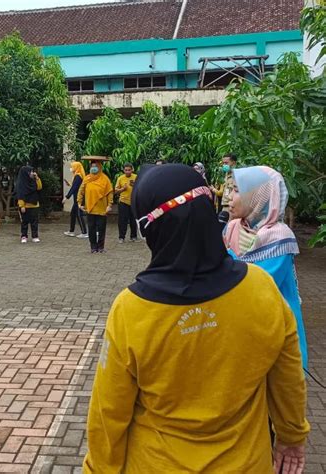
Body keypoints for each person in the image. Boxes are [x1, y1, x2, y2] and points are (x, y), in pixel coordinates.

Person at [83, 163, 309, 473]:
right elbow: (288, 377)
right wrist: (291, 436)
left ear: (152, 228)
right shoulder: (262, 289)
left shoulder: (131, 310)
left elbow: (108, 413)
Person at [224, 165, 308, 369]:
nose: (227, 197)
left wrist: (220, 255)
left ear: (258, 197)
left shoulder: (278, 236)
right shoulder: (234, 226)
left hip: (274, 329)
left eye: (236, 190)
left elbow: (255, 284)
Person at [77, 158, 113, 254]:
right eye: (92, 167)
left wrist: (109, 205)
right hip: (90, 208)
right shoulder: (87, 178)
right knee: (91, 229)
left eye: (96, 166)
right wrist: (79, 203)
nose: (94, 168)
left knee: (101, 229)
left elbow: (110, 192)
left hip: (102, 209)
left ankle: (101, 247)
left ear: (100, 167)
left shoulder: (105, 179)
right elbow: (81, 191)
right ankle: (93, 247)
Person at [16, 165, 42, 244]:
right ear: (26, 173)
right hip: (25, 206)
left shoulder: (34, 180)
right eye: (30, 171)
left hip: (35, 204)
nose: (32, 173)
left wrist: (37, 178)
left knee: (34, 222)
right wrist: (22, 206)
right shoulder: (21, 183)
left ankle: (35, 236)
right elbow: (20, 195)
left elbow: (39, 187)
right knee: (24, 222)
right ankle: (24, 236)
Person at [210, 153, 237, 228]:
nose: (224, 165)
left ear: (234, 163)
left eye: (226, 163)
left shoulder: (237, 176)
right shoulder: (226, 175)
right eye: (223, 163)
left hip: (232, 207)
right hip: (224, 205)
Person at [62, 161, 88, 238]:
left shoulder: (78, 176)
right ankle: (71, 231)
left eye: (72, 167)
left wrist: (66, 197)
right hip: (77, 198)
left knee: (79, 214)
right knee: (73, 213)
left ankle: (84, 232)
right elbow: (75, 185)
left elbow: (74, 187)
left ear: (76, 167)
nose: (71, 168)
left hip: (79, 199)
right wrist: (69, 184)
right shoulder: (77, 176)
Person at [115, 163, 138, 243]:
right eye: (126, 170)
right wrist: (122, 189)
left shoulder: (136, 177)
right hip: (123, 202)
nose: (127, 172)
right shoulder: (120, 178)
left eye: (129, 170)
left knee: (133, 220)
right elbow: (116, 191)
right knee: (122, 221)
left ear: (132, 170)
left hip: (134, 201)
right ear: (123, 170)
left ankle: (133, 236)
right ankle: (121, 237)